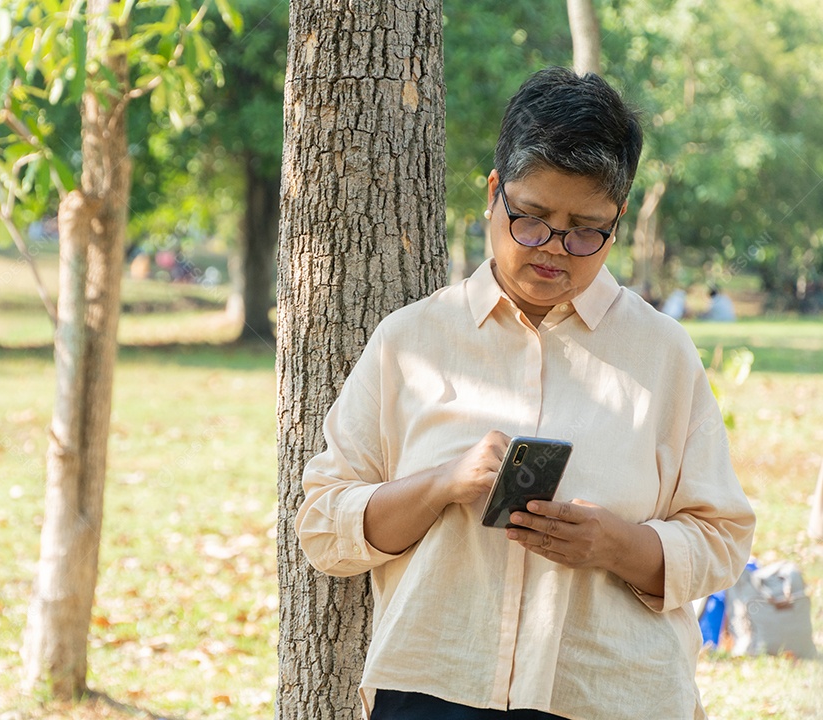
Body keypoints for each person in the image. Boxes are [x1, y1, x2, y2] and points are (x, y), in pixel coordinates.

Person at [295, 67, 755, 720]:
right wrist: (442, 485)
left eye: (585, 230)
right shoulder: (411, 341)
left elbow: (722, 541)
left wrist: (618, 544)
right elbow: (323, 526)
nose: (554, 250)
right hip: (434, 689)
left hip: (610, 694)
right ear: (494, 194)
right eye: (531, 219)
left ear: (617, 223)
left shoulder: (662, 354)